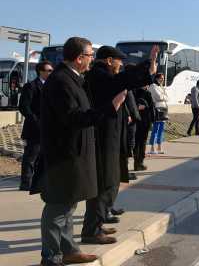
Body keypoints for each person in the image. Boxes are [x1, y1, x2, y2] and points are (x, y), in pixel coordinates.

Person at [36, 37, 128, 265]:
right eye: (89, 56)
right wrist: (111, 107)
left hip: (73, 155)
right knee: (58, 208)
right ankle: (51, 256)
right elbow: (73, 118)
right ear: (79, 58)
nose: (91, 60)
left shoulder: (72, 79)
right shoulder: (61, 82)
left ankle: (68, 250)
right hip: (63, 156)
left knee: (68, 205)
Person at [81, 45, 156, 245]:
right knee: (104, 182)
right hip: (104, 137)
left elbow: (126, 82)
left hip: (112, 136)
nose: (121, 63)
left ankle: (96, 224)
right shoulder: (99, 75)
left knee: (109, 181)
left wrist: (149, 69)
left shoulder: (104, 75)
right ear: (108, 60)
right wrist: (147, 65)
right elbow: (123, 81)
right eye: (119, 60)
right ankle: (91, 230)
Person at [18, 60, 53, 191]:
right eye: (48, 70)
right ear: (41, 71)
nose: (51, 73)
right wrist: (36, 121)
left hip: (48, 128)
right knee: (31, 156)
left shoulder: (52, 86)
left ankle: (40, 182)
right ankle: (26, 183)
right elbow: (24, 107)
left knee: (43, 157)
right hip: (35, 128)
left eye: (52, 70)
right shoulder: (31, 86)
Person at [133, 83, 155, 171]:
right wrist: (153, 121)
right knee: (142, 142)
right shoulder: (147, 94)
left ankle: (136, 163)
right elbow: (151, 108)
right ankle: (140, 163)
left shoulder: (134, 92)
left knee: (137, 142)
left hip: (136, 121)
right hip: (145, 121)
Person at [148, 73, 168, 155]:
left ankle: (159, 147)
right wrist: (164, 97)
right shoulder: (153, 86)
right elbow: (158, 97)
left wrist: (163, 96)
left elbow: (167, 97)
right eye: (160, 78)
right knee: (155, 129)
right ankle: (152, 148)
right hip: (157, 109)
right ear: (156, 78)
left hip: (164, 109)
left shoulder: (161, 87)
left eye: (163, 78)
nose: (162, 80)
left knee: (161, 130)